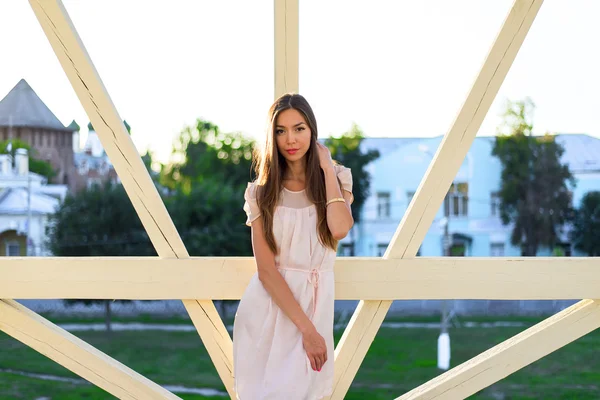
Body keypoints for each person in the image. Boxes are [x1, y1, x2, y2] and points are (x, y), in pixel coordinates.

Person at [232, 93, 354, 399]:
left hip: (315, 305)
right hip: (270, 312)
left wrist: (326, 168)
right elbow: (266, 272)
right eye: (281, 130)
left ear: (312, 131)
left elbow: (339, 229)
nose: (291, 139)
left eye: (299, 128)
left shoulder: (336, 178)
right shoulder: (261, 194)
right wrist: (308, 332)